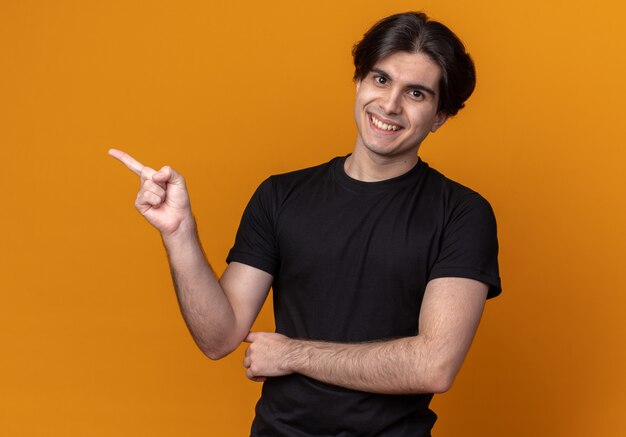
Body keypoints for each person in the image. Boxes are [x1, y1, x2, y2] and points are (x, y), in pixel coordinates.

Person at [110, 11, 501, 437]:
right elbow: (219, 337)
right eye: (381, 80)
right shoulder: (281, 196)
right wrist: (179, 234)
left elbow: (434, 367)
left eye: (417, 94)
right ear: (359, 81)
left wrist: (293, 355)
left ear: (441, 115)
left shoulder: (463, 214)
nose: (390, 105)